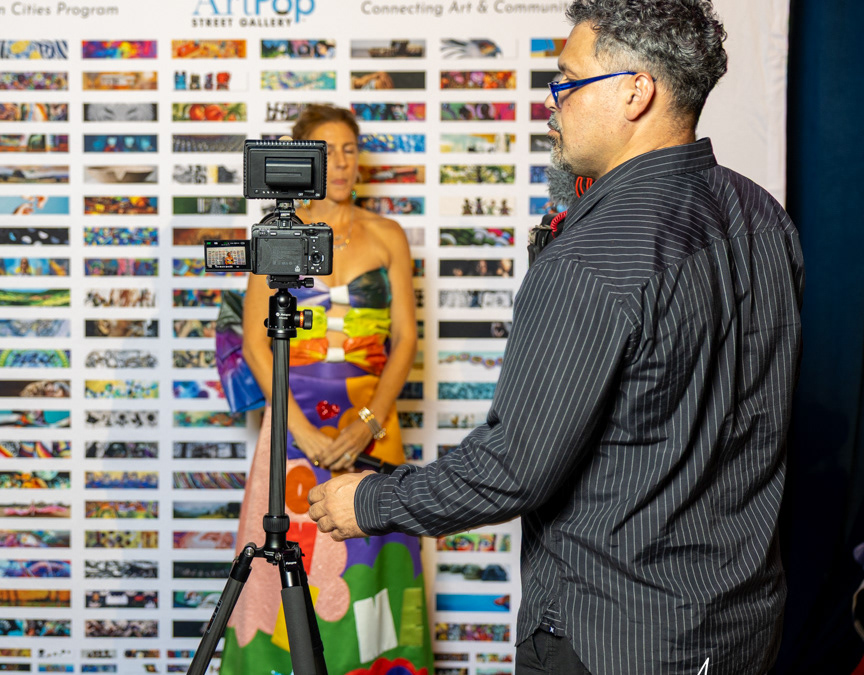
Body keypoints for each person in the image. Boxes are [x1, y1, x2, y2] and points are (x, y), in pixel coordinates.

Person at [307, 2, 804, 674]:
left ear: (636, 92)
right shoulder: (764, 218)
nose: (553, 100)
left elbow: (515, 467)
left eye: (569, 81)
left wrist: (369, 500)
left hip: (614, 637)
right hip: (740, 629)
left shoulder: (592, 257)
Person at [219, 105, 431, 675]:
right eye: (326, 151)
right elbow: (257, 345)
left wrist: (368, 422)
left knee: (373, 569)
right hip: (292, 432)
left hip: (371, 426)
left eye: (349, 150)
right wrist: (304, 434)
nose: (340, 162)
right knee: (286, 568)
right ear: (301, 161)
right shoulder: (276, 234)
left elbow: (406, 340)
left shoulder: (388, 236)